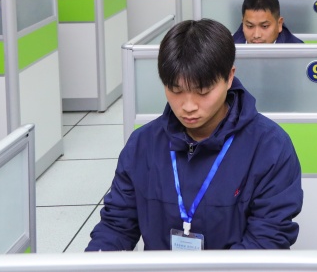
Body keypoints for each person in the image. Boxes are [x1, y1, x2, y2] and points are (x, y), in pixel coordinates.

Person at [86, 19, 303, 251]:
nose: (188, 106)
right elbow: (116, 227)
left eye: (203, 91)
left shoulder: (270, 147)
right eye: (176, 90)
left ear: (229, 77)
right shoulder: (142, 144)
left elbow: (267, 239)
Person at [232, 0, 304, 44]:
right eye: (250, 26)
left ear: (279, 24)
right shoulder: (229, 48)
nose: (257, 35)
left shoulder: (298, 52)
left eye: (264, 26)